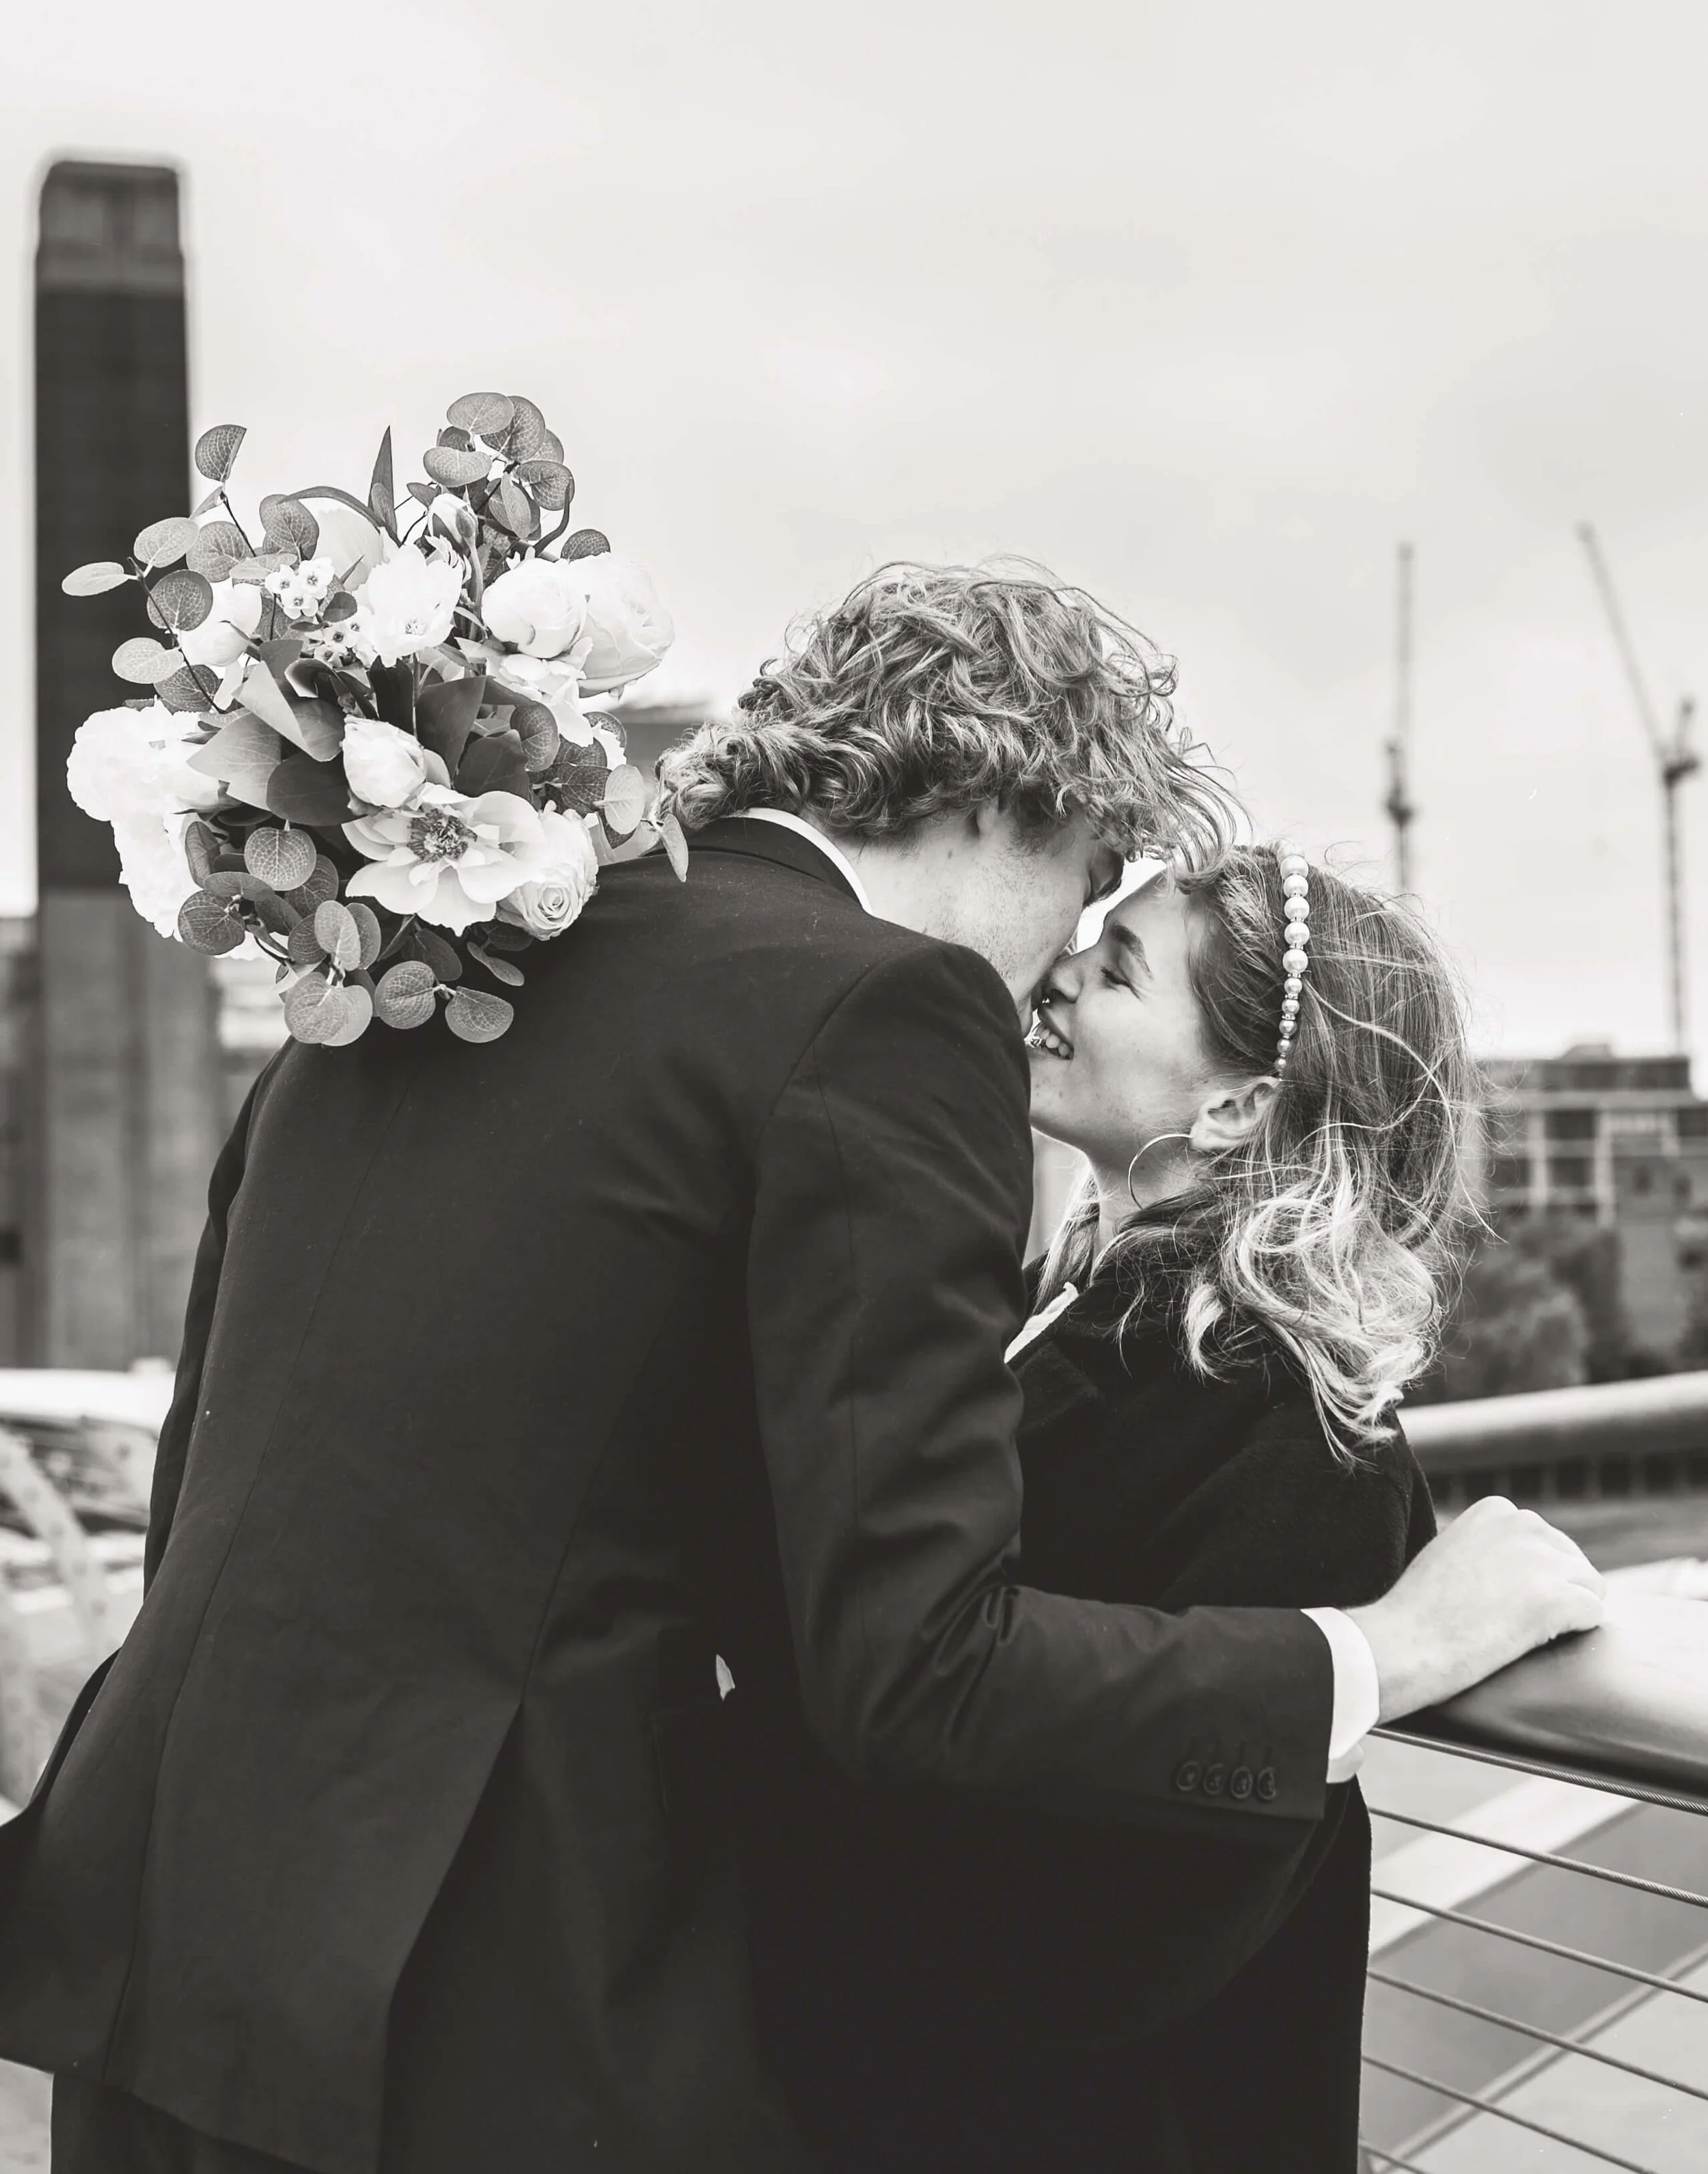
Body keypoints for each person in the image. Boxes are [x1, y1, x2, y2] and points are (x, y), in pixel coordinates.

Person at [0, 566, 1600, 2174]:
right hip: (471, 2014)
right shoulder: (875, 1013)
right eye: (1094, 876)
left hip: (153, 1937)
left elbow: (211, 1459)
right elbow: (913, 1660)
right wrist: (1382, 1656)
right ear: (1005, 800)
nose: (1057, 955)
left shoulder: (436, 949)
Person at [736, 845, 1484, 2170]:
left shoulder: (1300, 1423)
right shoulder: (1052, 1307)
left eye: (1118, 964)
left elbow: (1139, 1923)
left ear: (1236, 1108)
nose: (1058, 967)